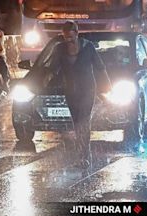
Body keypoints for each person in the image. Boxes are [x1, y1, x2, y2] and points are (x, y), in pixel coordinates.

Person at [46, 21, 111, 168]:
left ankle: (85, 155)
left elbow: (100, 67)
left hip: (88, 89)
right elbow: (53, 68)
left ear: (76, 33)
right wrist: (46, 78)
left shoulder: (88, 47)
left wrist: (107, 85)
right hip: (70, 90)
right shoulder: (60, 49)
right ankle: (81, 152)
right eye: (65, 37)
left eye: (70, 37)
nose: (68, 40)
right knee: (77, 122)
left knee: (83, 120)